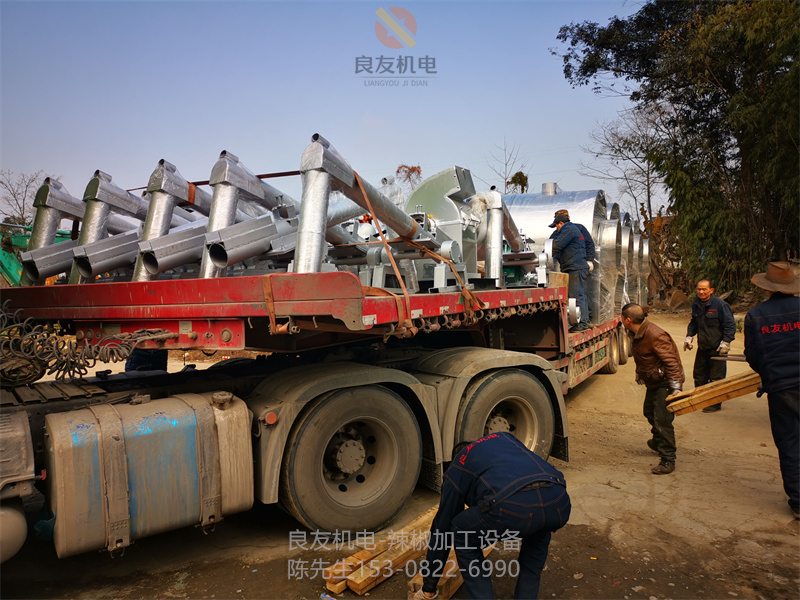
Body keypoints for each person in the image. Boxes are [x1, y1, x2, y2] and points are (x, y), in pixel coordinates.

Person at [414, 432, 571, 600]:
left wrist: (429, 586)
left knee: (461, 530)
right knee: (539, 528)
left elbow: (442, 529)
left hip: (512, 507)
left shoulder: (457, 467)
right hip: (557, 499)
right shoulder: (504, 438)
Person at [743, 261, 800, 520]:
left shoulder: (756, 315)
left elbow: (753, 355)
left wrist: (768, 375)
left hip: (781, 388)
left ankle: (798, 502)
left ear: (767, 287)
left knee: (789, 443)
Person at [621, 303, 685, 474]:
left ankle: (668, 459)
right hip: (654, 381)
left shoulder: (655, 334)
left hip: (665, 383)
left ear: (628, 320)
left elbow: (671, 362)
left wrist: (676, 387)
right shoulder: (636, 332)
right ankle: (658, 441)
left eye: (621, 317)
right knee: (649, 411)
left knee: (662, 420)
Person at [684, 279, 736, 412]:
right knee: (699, 375)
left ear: (711, 290)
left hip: (717, 348)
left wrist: (726, 342)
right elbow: (694, 322)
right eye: (699, 289)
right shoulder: (696, 304)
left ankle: (715, 403)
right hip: (703, 347)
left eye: (704, 289)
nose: (701, 292)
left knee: (716, 377)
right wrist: (689, 336)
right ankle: (701, 399)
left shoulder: (721, 305)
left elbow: (729, 325)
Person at [549, 212, 590, 331]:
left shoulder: (568, 230)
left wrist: (544, 256)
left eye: (556, 225)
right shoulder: (572, 229)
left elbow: (557, 246)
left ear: (561, 223)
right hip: (576, 266)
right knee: (579, 295)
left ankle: (582, 324)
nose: (556, 229)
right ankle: (583, 321)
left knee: (576, 296)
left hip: (575, 267)